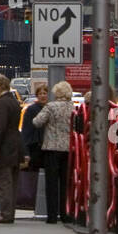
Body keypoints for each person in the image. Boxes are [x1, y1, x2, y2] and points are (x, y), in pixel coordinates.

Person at [33, 81, 74, 223]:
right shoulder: (73, 107)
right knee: (65, 183)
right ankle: (64, 214)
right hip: (68, 148)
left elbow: (37, 122)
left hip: (52, 148)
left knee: (51, 183)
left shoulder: (51, 107)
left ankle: (52, 216)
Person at [0, 74, 22, 224]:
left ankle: (5, 214)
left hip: (4, 149)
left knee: (4, 183)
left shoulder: (1, 104)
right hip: (15, 147)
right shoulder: (14, 102)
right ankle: (9, 212)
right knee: (12, 183)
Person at [21, 83, 49, 173]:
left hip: (48, 146)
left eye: (45, 93)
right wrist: (26, 152)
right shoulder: (31, 109)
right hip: (35, 146)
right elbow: (26, 131)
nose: (42, 96)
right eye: (40, 94)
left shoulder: (50, 108)